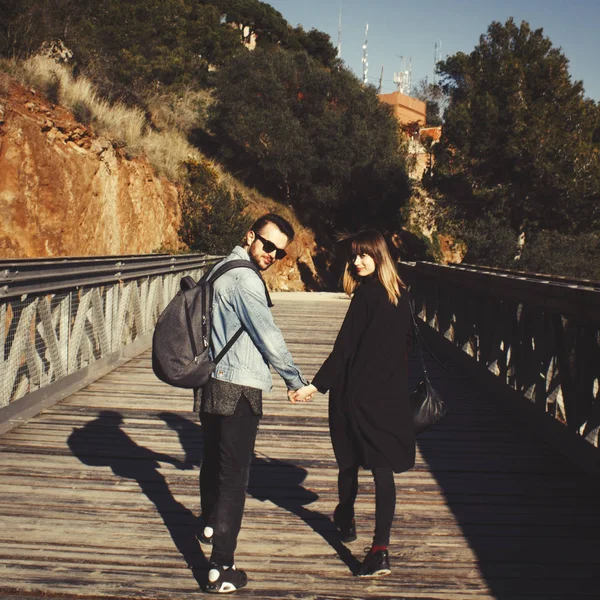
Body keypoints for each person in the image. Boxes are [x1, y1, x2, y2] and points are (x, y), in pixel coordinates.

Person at [291, 229, 415, 579]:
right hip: (389, 396)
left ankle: (345, 518)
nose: (357, 262)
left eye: (364, 255)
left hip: (355, 395)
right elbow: (405, 344)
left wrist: (313, 386)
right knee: (381, 470)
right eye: (354, 257)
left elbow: (344, 349)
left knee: (348, 461)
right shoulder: (401, 294)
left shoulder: (366, 296)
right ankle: (380, 549)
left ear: (379, 256)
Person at [197, 213, 309, 593]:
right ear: (250, 236)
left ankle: (209, 525)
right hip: (239, 387)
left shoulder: (220, 267)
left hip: (211, 382)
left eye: (279, 252)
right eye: (267, 244)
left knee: (212, 461)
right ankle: (221, 569)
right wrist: (295, 381)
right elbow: (269, 338)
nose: (271, 254)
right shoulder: (246, 280)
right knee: (234, 479)